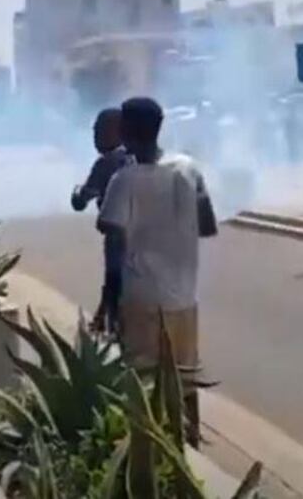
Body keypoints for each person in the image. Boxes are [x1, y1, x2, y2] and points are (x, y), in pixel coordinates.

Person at [98, 97, 218, 447]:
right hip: (183, 296)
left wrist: (108, 302)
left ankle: (151, 452)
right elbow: (207, 225)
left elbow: (114, 243)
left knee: (143, 382)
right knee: (186, 377)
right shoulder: (189, 168)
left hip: (141, 298)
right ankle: (189, 445)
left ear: (124, 131)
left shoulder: (124, 179)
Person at [71, 108, 130, 334]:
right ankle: (102, 317)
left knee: (114, 278)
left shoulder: (106, 163)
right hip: (144, 235)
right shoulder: (136, 158)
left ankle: (111, 326)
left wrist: (78, 195)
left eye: (100, 131)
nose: (96, 137)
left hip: (116, 233)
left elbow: (82, 200)